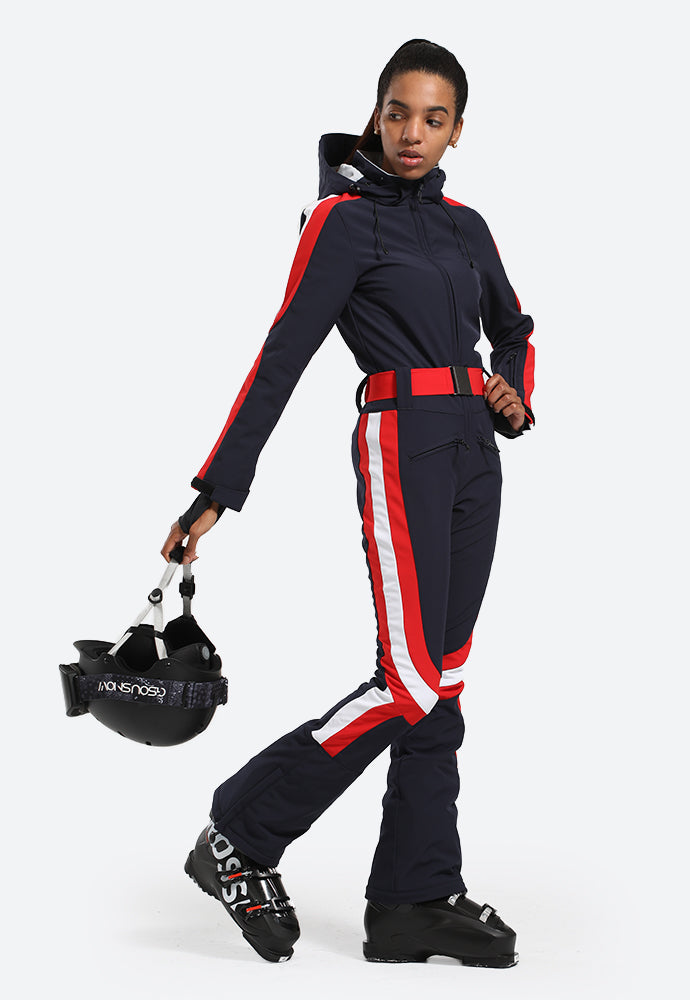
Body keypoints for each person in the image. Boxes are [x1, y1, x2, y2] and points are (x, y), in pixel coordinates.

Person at [162, 38, 535, 967]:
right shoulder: (340, 221)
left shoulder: (467, 226)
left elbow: (514, 328)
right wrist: (218, 489)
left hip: (475, 454)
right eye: (398, 113)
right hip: (399, 443)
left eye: (434, 119)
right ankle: (240, 833)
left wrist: (513, 392)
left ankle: (414, 894)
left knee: (440, 681)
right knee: (406, 680)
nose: (412, 134)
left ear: (457, 131)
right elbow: (282, 355)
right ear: (376, 114)